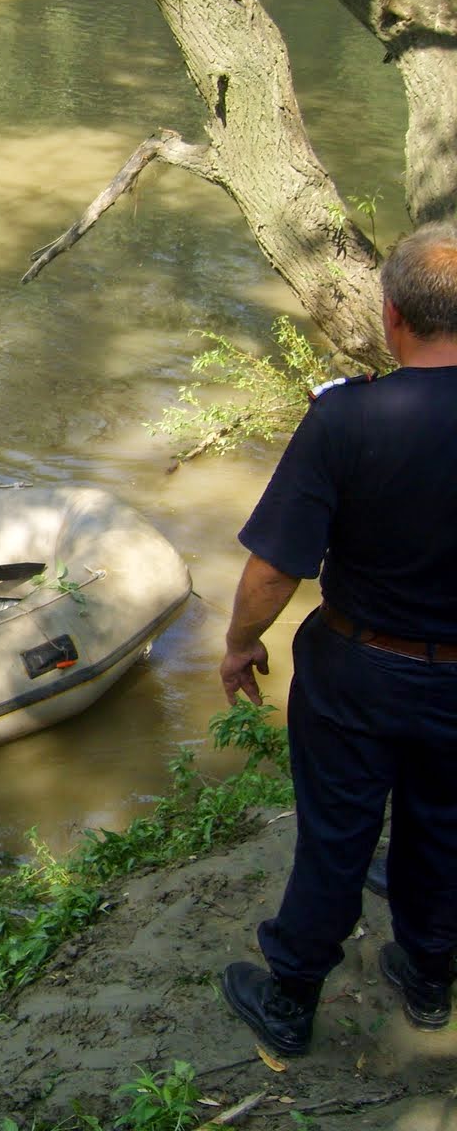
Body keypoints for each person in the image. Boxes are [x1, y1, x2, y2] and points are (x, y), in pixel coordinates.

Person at [217, 223, 457, 1056]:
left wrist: (241, 643)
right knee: (444, 823)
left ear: (392, 316)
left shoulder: (347, 417)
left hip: (359, 669)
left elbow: (276, 569)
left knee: (337, 832)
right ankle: (428, 976)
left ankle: (291, 997)